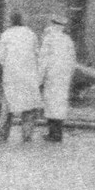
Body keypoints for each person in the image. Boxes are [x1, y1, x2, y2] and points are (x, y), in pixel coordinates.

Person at [0, 12, 42, 142]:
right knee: (29, 107)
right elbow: (37, 54)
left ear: (10, 21)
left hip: (11, 75)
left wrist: (10, 65)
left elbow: (1, 57)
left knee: (8, 106)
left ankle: (3, 134)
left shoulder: (5, 35)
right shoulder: (31, 34)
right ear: (22, 20)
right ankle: (27, 135)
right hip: (28, 75)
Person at [37, 15, 77, 143]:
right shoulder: (68, 40)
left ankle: (53, 133)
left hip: (52, 76)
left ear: (53, 25)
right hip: (64, 77)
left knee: (50, 103)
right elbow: (72, 61)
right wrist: (69, 75)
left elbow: (43, 60)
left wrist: (39, 79)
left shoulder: (48, 39)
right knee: (60, 103)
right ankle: (58, 132)